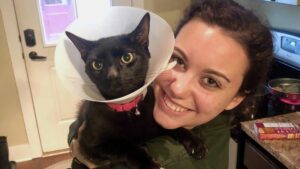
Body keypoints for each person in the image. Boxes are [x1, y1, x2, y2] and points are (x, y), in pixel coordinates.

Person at [68, 0, 273, 168]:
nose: (178, 88)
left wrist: (80, 154)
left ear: (237, 97)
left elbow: (84, 138)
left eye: (211, 81)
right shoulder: (150, 97)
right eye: (179, 60)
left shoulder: (172, 159)